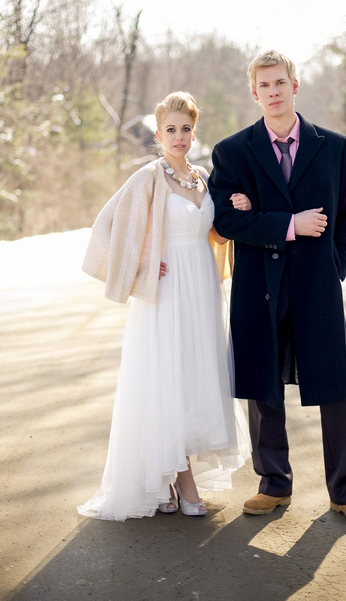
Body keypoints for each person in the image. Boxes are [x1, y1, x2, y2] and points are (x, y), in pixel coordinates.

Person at [208, 51, 346, 524]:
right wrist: (288, 225)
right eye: (265, 85)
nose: (274, 91)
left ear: (295, 86)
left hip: (316, 286)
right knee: (263, 386)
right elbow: (225, 219)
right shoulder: (233, 152)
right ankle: (274, 484)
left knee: (338, 385)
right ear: (254, 93)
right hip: (258, 285)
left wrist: (333, 266)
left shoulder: (334, 146)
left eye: (281, 82)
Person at [78, 92, 250, 521]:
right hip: (166, 294)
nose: (179, 136)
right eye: (170, 129)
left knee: (195, 378)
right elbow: (106, 229)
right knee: (168, 378)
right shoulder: (147, 179)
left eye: (186, 129)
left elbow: (214, 233)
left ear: (195, 132)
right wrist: (138, 265)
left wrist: (240, 209)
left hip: (203, 290)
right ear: (158, 134)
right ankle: (181, 477)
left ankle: (171, 475)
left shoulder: (203, 178)